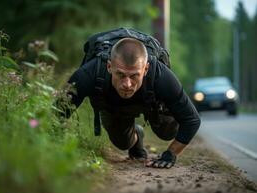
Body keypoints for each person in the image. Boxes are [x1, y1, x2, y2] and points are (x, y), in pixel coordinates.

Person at [55, 34, 201, 169]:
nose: (127, 84)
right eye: (120, 74)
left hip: (151, 104)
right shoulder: (88, 74)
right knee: (122, 143)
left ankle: (159, 125)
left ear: (146, 69)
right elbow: (56, 114)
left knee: (169, 132)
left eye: (134, 76)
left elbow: (192, 120)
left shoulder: (161, 76)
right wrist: (58, 151)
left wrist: (171, 154)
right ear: (109, 66)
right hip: (112, 106)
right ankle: (137, 136)